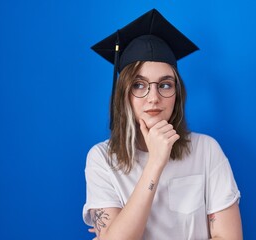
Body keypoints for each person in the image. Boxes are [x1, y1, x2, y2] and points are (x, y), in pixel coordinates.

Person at [83, 9, 242, 240]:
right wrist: (155, 163)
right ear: (123, 93)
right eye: (139, 84)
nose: (153, 97)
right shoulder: (101, 159)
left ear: (177, 93)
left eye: (165, 85)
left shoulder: (206, 151)